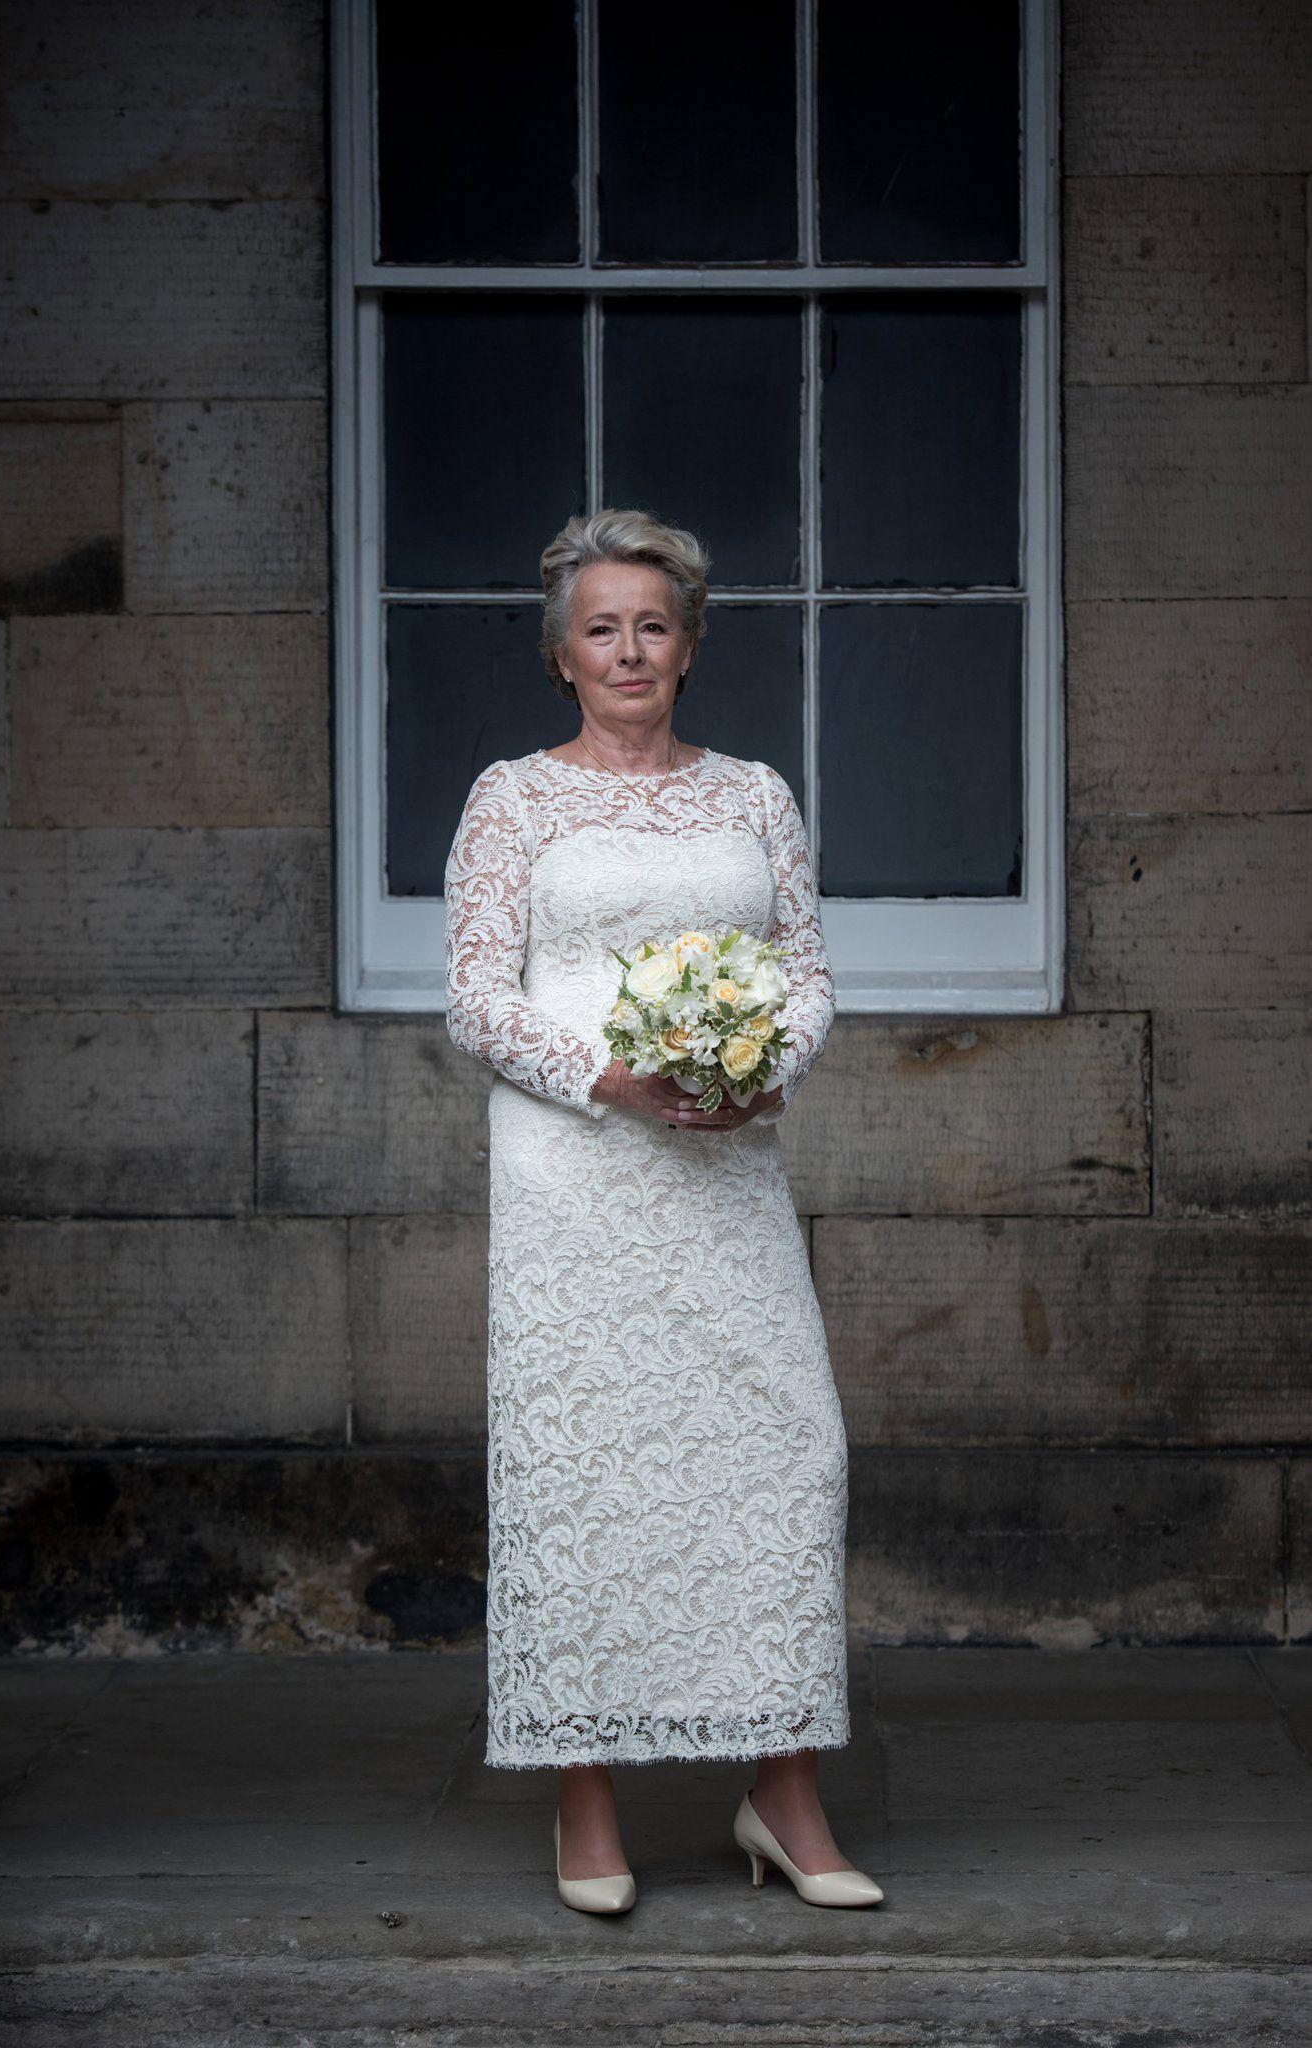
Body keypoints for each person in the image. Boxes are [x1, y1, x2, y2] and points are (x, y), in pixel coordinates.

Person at [443, 507, 883, 1915]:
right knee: (587, 1469)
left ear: (688, 647)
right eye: (601, 627)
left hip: (725, 1168)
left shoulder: (755, 794)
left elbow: (806, 973)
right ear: (560, 654)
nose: (629, 648)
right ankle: (588, 1797)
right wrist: (606, 1080)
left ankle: (785, 1793)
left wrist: (766, 1068)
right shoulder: (511, 799)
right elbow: (476, 997)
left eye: (653, 625)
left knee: (788, 1457)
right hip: (576, 1175)